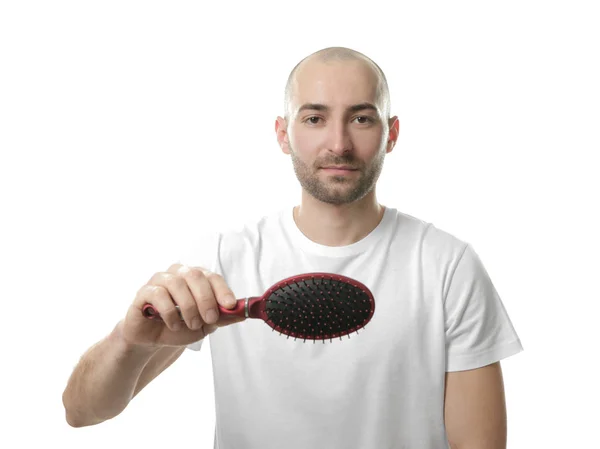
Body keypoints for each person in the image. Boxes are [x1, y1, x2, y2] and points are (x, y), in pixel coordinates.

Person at [62, 46, 523, 449]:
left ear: (392, 133)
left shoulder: (446, 266)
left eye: (362, 118)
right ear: (283, 133)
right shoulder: (223, 262)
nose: (338, 143)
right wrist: (130, 341)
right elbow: (82, 412)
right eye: (315, 118)